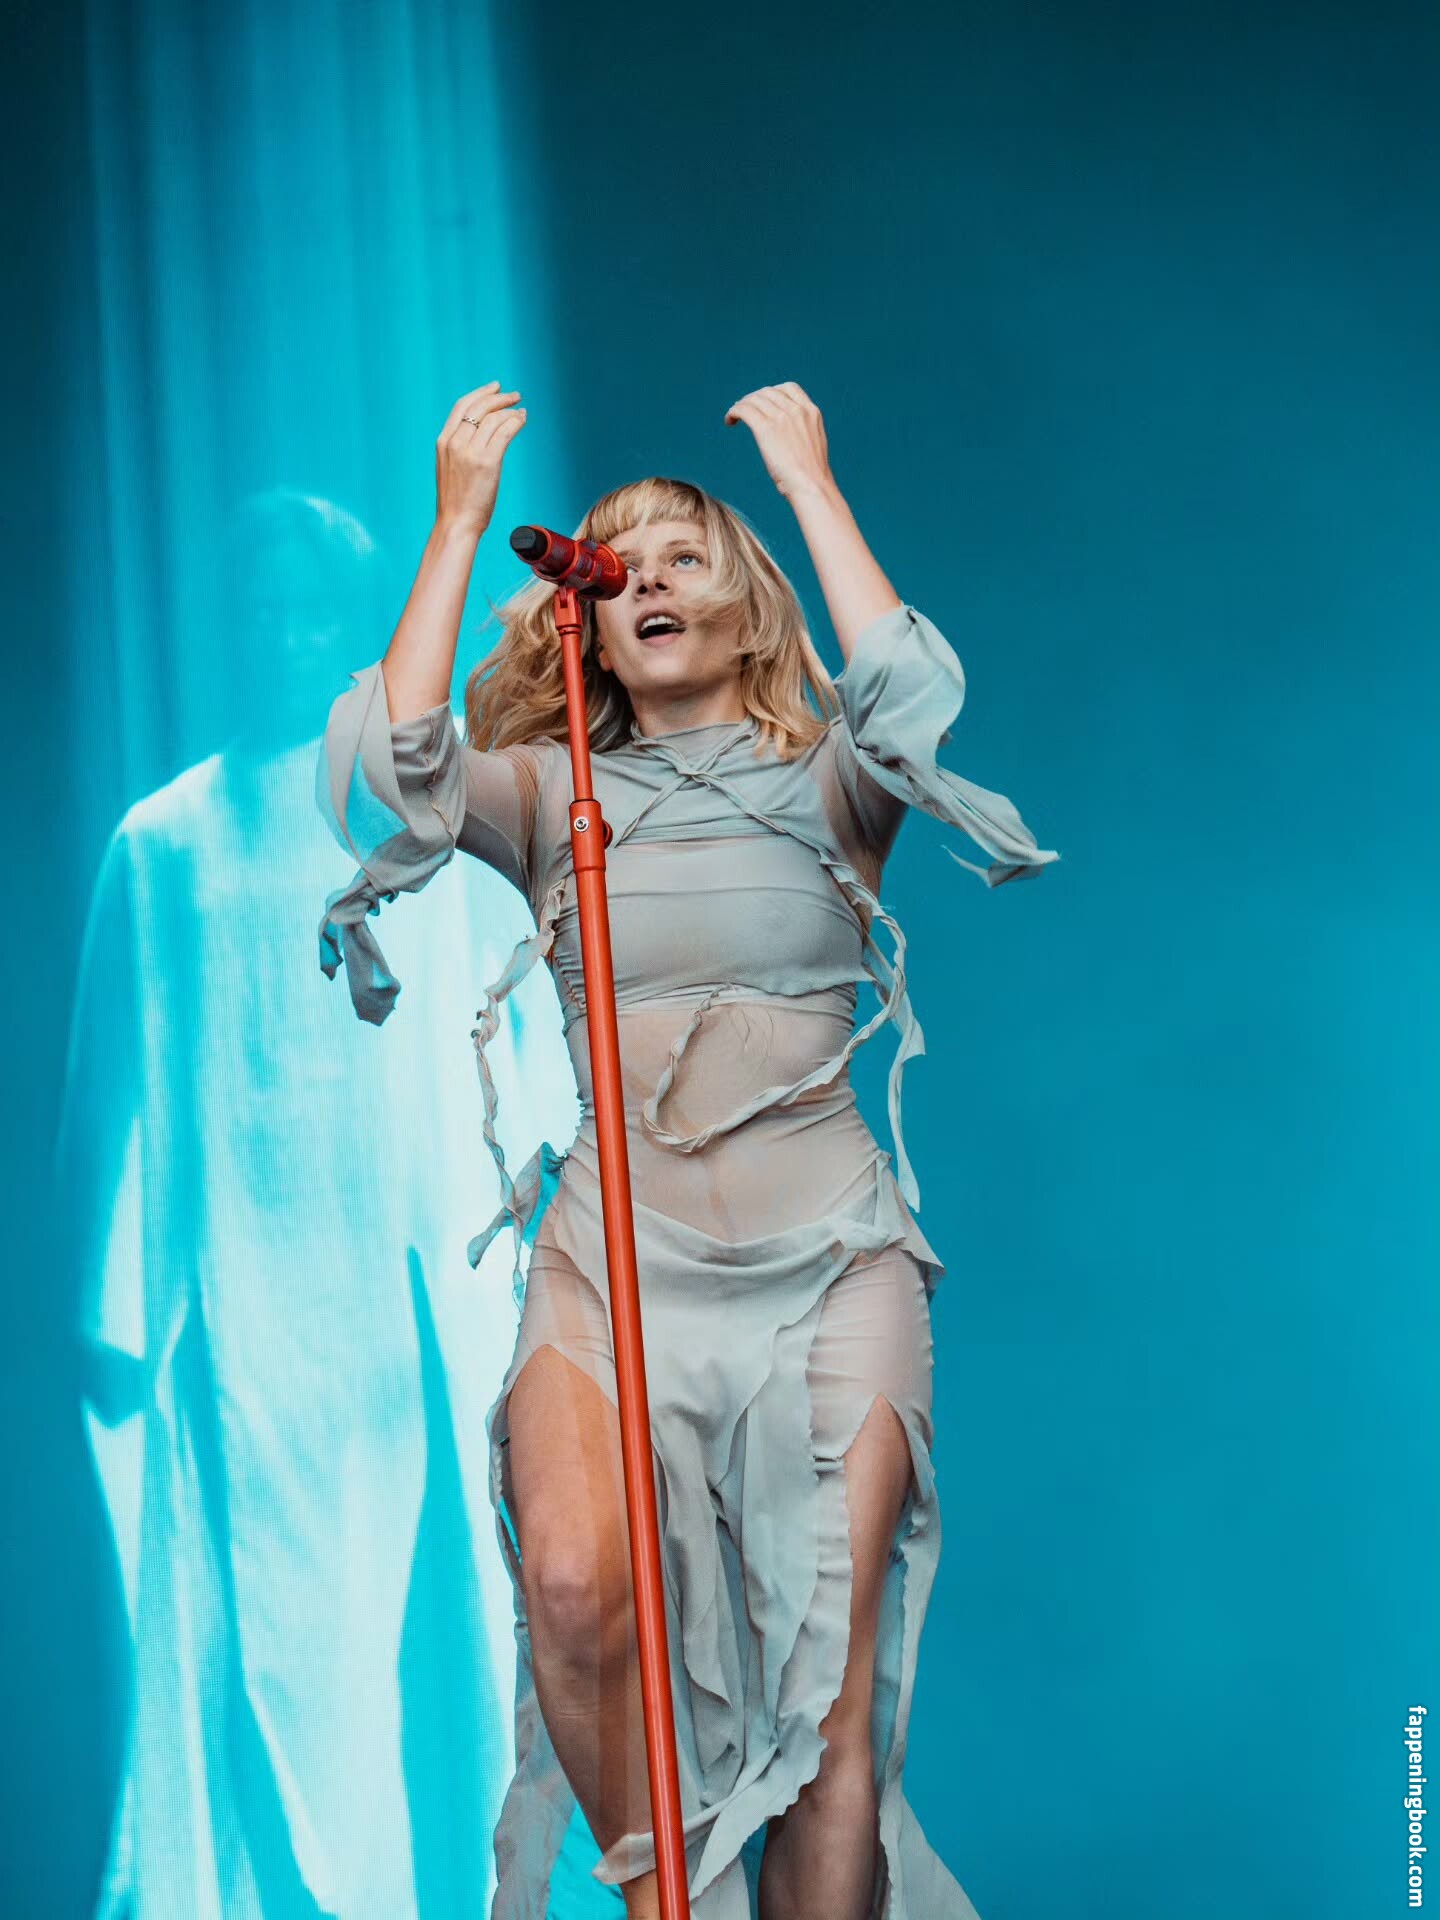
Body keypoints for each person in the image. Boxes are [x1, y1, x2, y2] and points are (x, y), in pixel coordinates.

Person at [317, 379, 1060, 1920]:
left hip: (829, 1270)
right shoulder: (551, 794)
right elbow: (396, 772)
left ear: (744, 608)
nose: (646, 579)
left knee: (823, 1711)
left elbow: (907, 696)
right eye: (621, 564)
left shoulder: (836, 781)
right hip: (613, 1261)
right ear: (584, 620)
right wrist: (458, 524)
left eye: (682, 557)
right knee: (572, 1587)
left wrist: (809, 484)